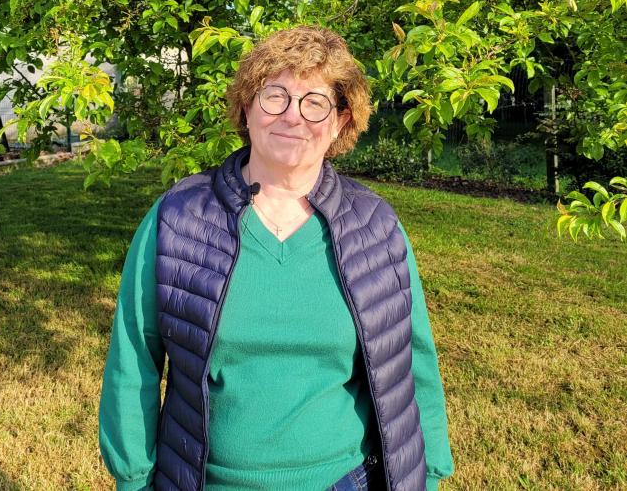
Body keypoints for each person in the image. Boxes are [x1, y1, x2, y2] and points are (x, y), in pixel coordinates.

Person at [99, 25, 454, 491]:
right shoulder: (178, 218)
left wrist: (428, 474)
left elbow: (412, 362)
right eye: (275, 97)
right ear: (247, 107)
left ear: (341, 121)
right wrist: (133, 479)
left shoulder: (375, 226)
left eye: (315, 102)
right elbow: (133, 361)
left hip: (345, 481)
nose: (293, 116)